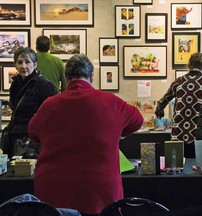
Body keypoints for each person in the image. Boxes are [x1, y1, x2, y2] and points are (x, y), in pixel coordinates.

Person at [28, 53, 143, 216]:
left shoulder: (49, 104)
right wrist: (118, 134)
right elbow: (138, 120)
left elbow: (33, 133)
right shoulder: (111, 101)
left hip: (55, 188)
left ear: (66, 79)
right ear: (91, 77)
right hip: (99, 188)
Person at [3, 47, 57, 158]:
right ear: (15, 65)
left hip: (34, 142)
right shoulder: (15, 84)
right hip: (15, 139)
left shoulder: (44, 85)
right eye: (20, 62)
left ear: (35, 64)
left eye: (27, 62)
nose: (23, 66)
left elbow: (54, 116)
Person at [155, 52, 202, 158]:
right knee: (196, 167)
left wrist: (159, 112)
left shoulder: (179, 81)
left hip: (178, 132)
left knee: (177, 166)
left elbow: (163, 100)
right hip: (198, 133)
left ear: (189, 64)